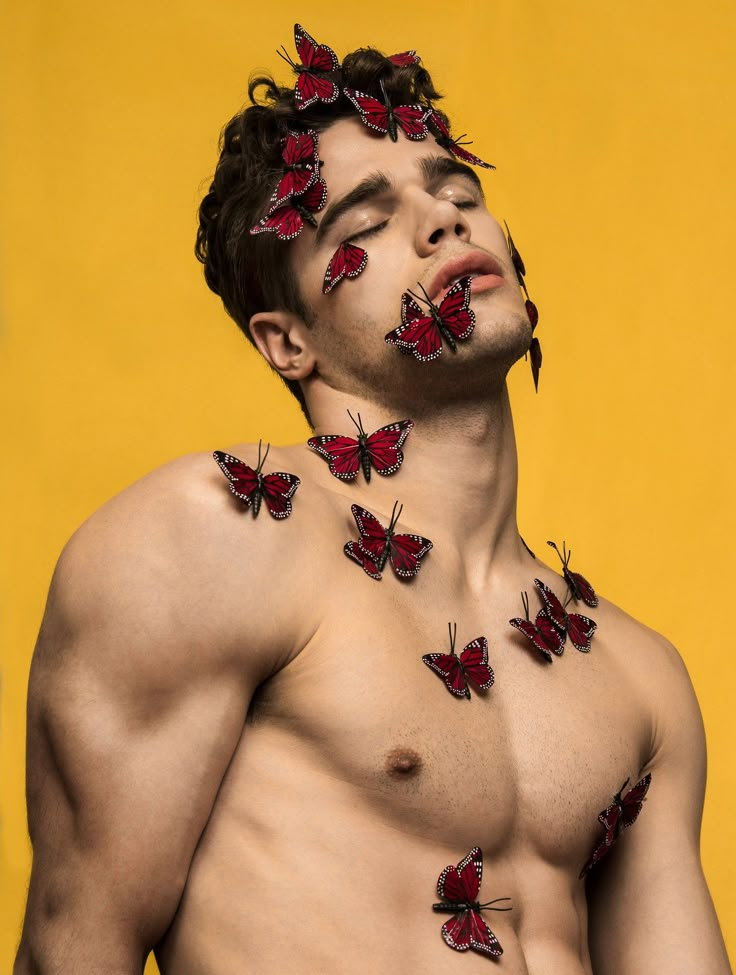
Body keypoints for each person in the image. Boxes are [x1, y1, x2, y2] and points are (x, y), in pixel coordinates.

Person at [14, 26, 732, 975]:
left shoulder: (640, 680)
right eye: (361, 227)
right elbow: (73, 948)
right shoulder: (210, 538)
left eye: (457, 192)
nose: (444, 223)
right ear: (286, 342)